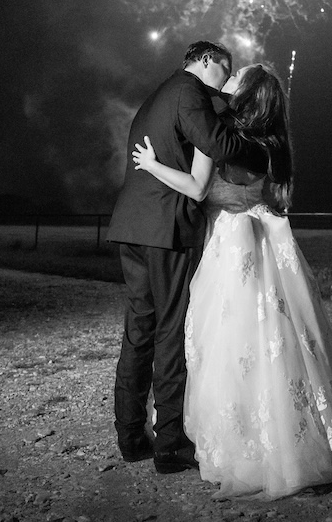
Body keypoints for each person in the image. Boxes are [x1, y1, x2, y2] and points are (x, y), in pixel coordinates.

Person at [132, 63, 332, 499]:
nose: (228, 80)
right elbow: (269, 197)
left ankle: (247, 445)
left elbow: (195, 189)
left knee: (230, 345)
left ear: (244, 94)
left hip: (230, 242)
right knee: (286, 340)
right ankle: (310, 441)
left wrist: (152, 165)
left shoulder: (220, 138)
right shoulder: (271, 145)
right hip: (265, 237)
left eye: (236, 78)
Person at [107, 40, 252, 474]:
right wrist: (261, 150)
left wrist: (222, 102)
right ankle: (170, 444)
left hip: (132, 226)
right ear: (206, 60)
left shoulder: (156, 96)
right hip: (166, 229)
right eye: (224, 70)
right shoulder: (188, 91)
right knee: (170, 332)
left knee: (139, 330)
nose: (226, 79)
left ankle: (131, 436)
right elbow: (217, 143)